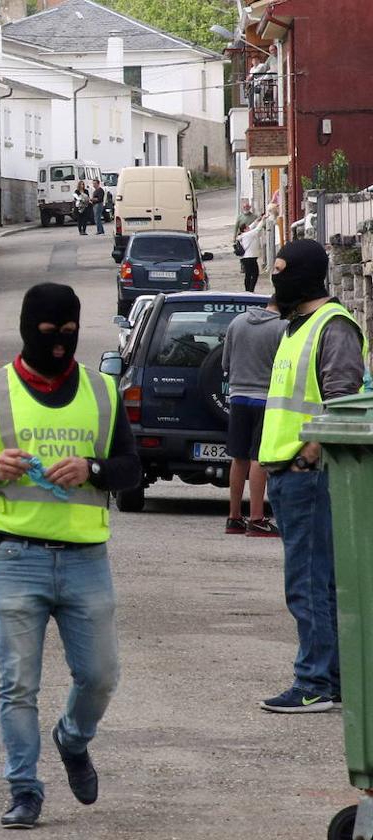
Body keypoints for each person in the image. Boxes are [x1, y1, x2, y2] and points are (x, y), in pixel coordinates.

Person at [0, 283, 141, 829]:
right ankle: (24, 788)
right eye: (48, 334)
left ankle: (72, 741)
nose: (58, 344)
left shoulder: (103, 393)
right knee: (17, 685)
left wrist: (93, 470)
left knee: (99, 676)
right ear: (29, 328)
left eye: (69, 334)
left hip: (85, 559)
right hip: (15, 558)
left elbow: (132, 469)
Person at [258, 239, 367, 714]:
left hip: (311, 476)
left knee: (307, 583)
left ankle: (314, 682)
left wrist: (308, 457)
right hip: (290, 474)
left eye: (281, 272)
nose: (275, 280)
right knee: (317, 582)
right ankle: (334, 679)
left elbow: (340, 404)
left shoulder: (334, 326)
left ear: (305, 275)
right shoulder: (295, 326)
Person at [222, 297, 283, 537]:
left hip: (237, 397)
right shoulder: (283, 327)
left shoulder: (237, 322)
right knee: (259, 456)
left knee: (238, 457)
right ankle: (257, 518)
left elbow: (225, 362)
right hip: (265, 399)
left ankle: (234, 517)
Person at [237, 221, 264, 293]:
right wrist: (263, 220)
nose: (249, 228)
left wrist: (256, 221)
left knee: (248, 274)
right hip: (250, 258)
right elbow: (258, 229)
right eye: (247, 227)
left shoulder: (243, 235)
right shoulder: (248, 235)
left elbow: (251, 226)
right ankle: (251, 290)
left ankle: (247, 290)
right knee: (255, 274)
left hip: (246, 258)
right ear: (245, 229)